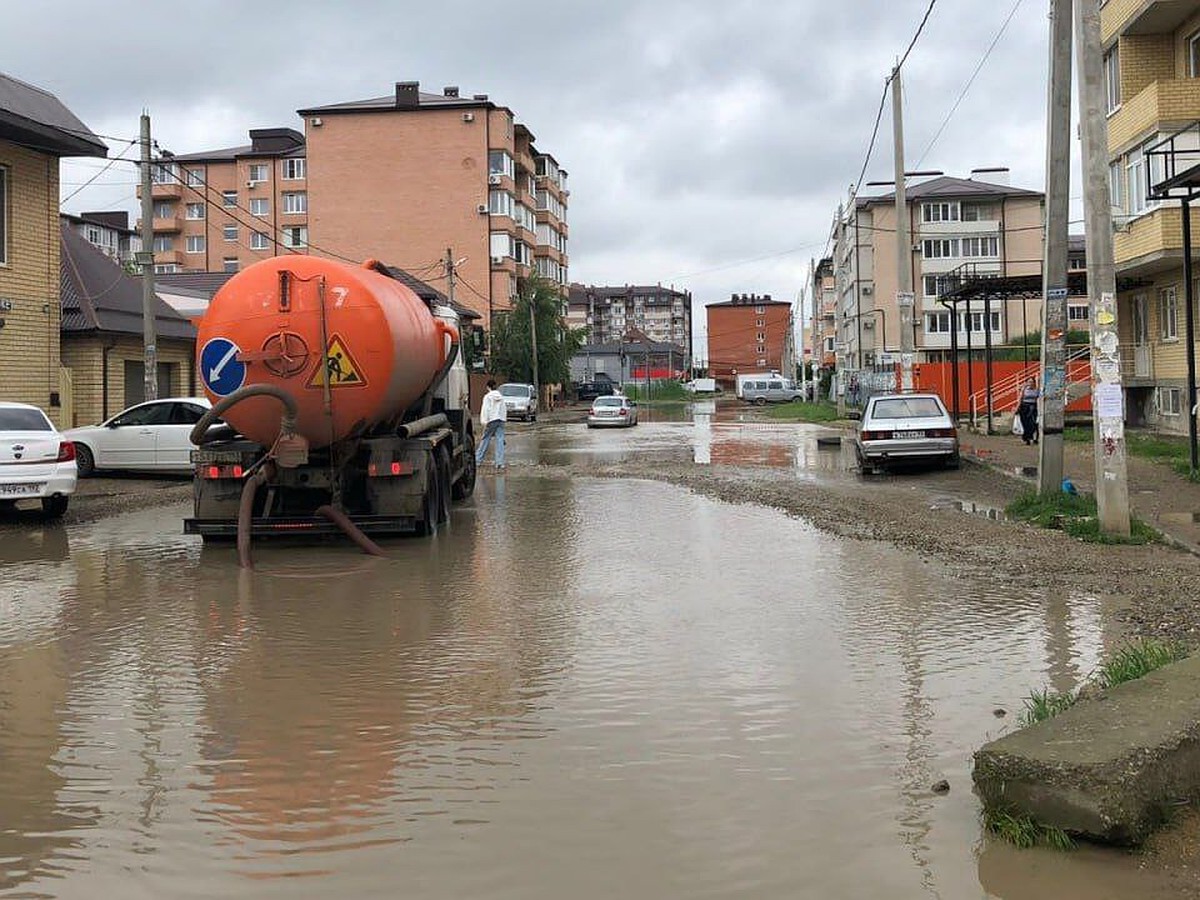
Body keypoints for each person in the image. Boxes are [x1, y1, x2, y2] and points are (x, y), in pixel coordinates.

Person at [476, 379, 507, 469]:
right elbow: (504, 409)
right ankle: (499, 463)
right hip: (500, 420)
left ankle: (478, 460)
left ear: (488, 387)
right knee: (500, 440)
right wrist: (503, 419)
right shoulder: (501, 397)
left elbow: (485, 409)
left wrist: (484, 421)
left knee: (485, 439)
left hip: (491, 420)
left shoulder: (487, 397)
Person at [1017, 378, 1040, 446]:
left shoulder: (1037, 390)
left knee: (1033, 423)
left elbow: (1040, 397)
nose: (1030, 383)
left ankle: (1032, 437)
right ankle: (1027, 439)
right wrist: (1017, 408)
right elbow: (1020, 399)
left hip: (1033, 407)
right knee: (1025, 423)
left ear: (1034, 383)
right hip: (1024, 407)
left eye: (1032, 382)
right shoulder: (1024, 390)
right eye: (1029, 382)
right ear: (1027, 383)